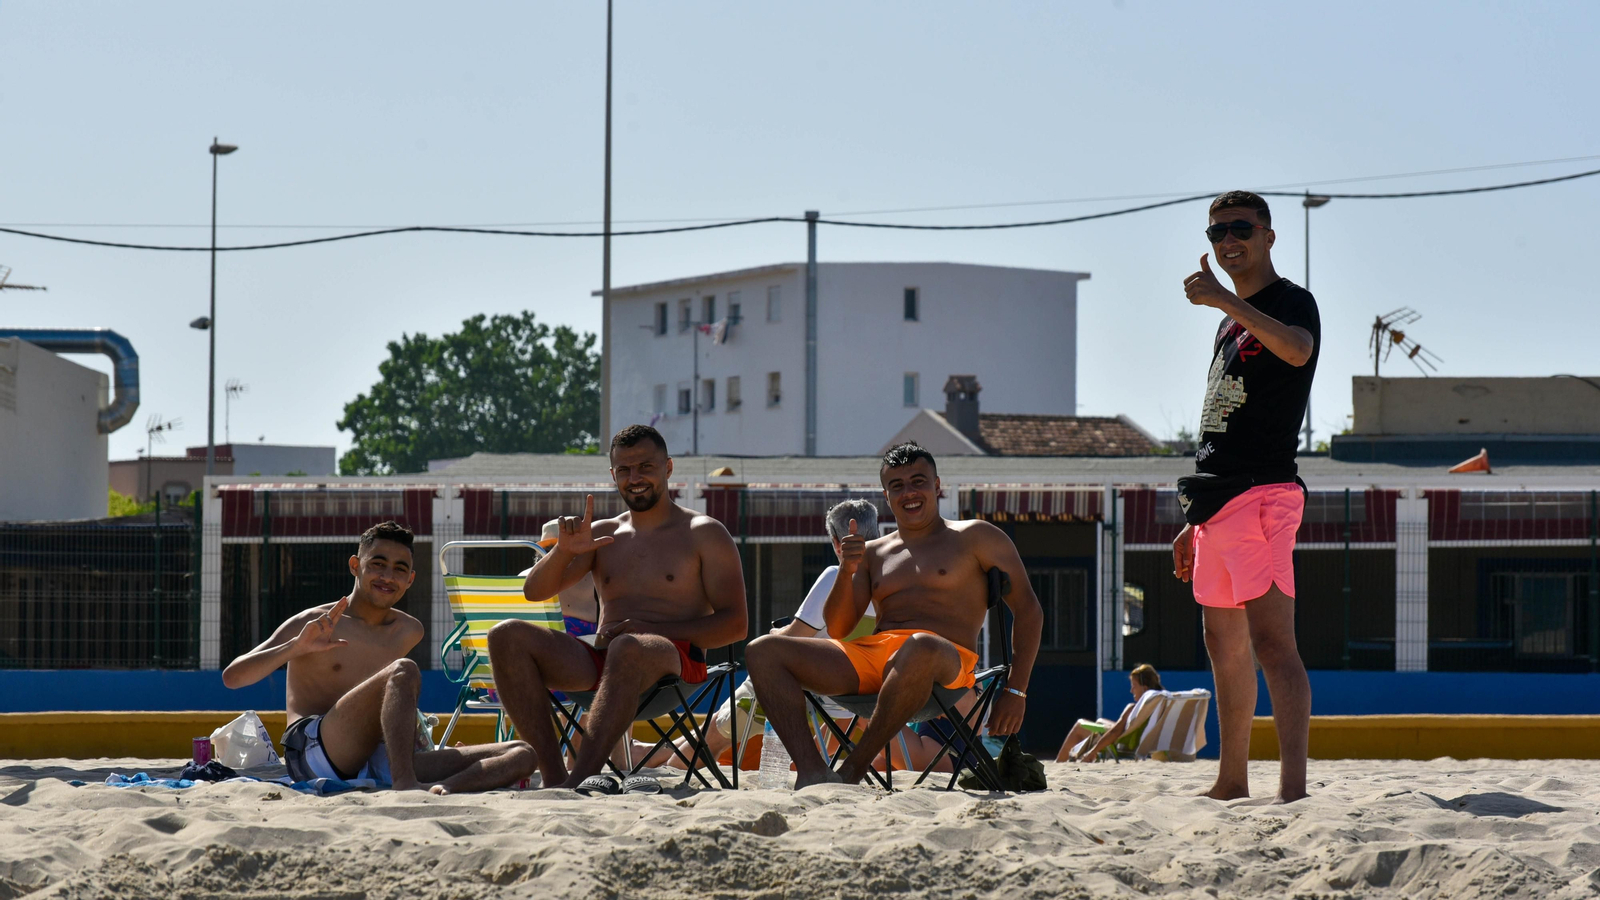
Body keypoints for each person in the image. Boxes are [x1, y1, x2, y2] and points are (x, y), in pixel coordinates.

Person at [745, 442, 1043, 788]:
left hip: (945, 663)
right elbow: (841, 630)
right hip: (876, 660)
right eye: (897, 486)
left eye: (918, 481)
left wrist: (1016, 691)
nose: (909, 492)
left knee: (919, 645)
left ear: (937, 486)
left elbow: (1029, 610)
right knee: (762, 650)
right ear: (887, 496)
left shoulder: (977, 536)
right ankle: (812, 771)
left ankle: (852, 770)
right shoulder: (873, 552)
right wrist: (847, 570)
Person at [487, 424, 749, 790]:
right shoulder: (603, 533)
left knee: (628, 647)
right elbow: (533, 591)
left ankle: (577, 781)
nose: (634, 478)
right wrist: (563, 551)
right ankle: (553, 776)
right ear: (613, 475)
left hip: (675, 668)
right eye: (624, 470)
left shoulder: (703, 532)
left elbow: (736, 625)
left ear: (668, 468)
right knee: (505, 636)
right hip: (602, 664)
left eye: (645, 466)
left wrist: (650, 630)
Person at [1174, 190, 1318, 803]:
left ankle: (1292, 790)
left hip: (1263, 493)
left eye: (1240, 228)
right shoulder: (1228, 324)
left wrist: (1224, 300)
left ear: (1268, 236)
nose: (1228, 241)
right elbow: (1218, 424)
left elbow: (1298, 349)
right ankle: (1232, 780)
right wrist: (1194, 518)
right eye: (1217, 233)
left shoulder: (1290, 302)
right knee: (1222, 642)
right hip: (1219, 502)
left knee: (1272, 642)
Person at [222, 520, 536, 794]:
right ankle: (406, 784)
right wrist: (296, 648)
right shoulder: (317, 623)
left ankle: (445, 788)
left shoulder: (408, 630)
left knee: (522, 754)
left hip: (378, 755)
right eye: (378, 564)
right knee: (403, 671)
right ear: (355, 566)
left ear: (410, 580)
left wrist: (427, 749)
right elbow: (233, 678)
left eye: (400, 570)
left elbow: (385, 703)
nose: (388, 576)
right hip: (315, 754)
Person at [1057, 664, 1164, 762]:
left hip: (1121, 743)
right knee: (1100, 721)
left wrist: (1092, 752)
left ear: (1144, 688)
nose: (1131, 690)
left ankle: (1059, 762)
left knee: (1079, 726)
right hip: (1134, 741)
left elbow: (1115, 732)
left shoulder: (1133, 709)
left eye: (1134, 686)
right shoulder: (1160, 706)